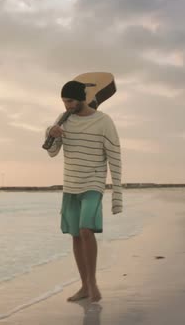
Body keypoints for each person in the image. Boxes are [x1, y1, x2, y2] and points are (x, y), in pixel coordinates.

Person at [44, 80, 122, 303]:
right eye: (63, 102)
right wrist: (51, 133)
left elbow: (115, 156)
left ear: (82, 98)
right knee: (76, 235)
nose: (66, 105)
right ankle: (85, 286)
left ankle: (94, 283)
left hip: (93, 184)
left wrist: (117, 193)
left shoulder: (104, 121)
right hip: (71, 185)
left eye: (70, 101)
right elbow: (52, 152)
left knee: (86, 229)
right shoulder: (64, 120)